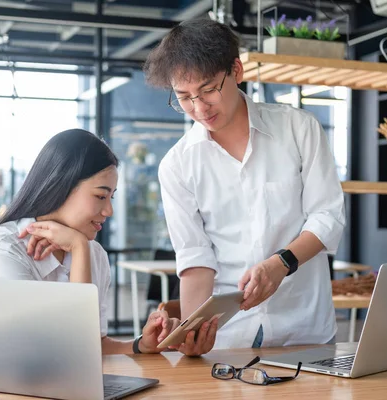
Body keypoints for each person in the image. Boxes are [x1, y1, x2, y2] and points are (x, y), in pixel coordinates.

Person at [143, 19, 345, 355]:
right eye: (184, 98)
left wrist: (280, 264)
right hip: (228, 336)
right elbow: (196, 258)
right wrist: (193, 332)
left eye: (208, 90)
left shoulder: (298, 129)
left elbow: (327, 215)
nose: (199, 108)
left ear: (236, 70)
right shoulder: (177, 165)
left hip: (304, 328)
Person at [0, 129, 180, 357]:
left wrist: (140, 345)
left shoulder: (93, 252)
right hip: (10, 390)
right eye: (100, 196)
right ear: (61, 186)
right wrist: (78, 247)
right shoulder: (3, 253)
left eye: (111, 197)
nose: (109, 211)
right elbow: (68, 354)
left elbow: (95, 346)